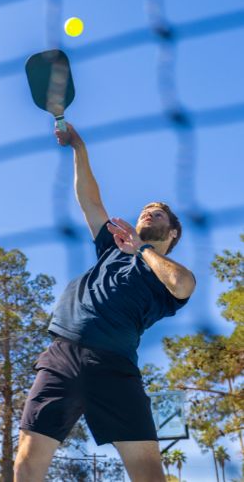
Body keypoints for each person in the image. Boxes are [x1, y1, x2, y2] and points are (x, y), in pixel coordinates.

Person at [14, 122, 196, 482]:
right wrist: (79, 148)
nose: (150, 212)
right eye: (146, 209)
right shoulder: (110, 247)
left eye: (159, 213)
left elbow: (184, 284)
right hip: (62, 357)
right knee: (27, 462)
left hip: (116, 368)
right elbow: (90, 200)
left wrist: (141, 249)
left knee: (148, 472)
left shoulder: (165, 273)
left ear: (172, 232)